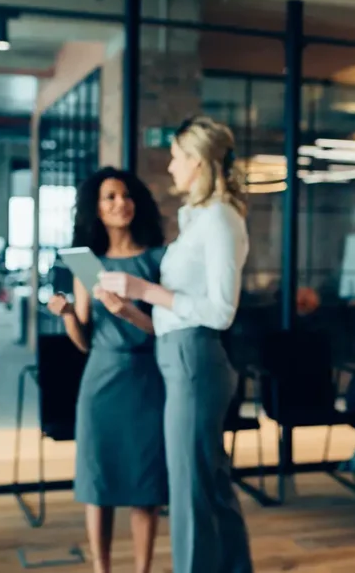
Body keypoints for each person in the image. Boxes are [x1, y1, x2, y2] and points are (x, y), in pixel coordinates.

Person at [98, 116, 254, 573]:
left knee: (190, 490)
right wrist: (129, 305)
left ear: (198, 162)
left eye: (176, 157)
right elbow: (176, 308)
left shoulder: (222, 219)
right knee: (209, 483)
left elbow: (221, 310)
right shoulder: (200, 218)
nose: (169, 167)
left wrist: (143, 290)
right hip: (180, 354)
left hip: (194, 358)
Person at [46, 167, 167, 573]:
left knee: (145, 486)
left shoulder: (157, 257)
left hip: (147, 379)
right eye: (110, 197)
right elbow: (83, 341)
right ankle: (101, 569)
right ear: (95, 209)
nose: (121, 203)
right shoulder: (86, 262)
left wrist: (130, 313)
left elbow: (164, 329)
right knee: (97, 484)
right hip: (100, 379)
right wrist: (65, 316)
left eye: (127, 195)